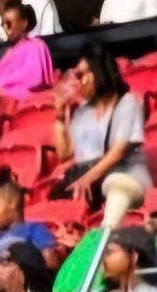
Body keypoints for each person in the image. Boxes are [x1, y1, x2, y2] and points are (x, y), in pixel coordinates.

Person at [53, 43, 149, 198]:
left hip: (118, 175)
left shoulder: (128, 103)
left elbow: (119, 152)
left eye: (80, 75)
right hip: (85, 176)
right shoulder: (83, 111)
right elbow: (65, 152)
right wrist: (58, 116)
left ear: (98, 73)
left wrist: (86, 179)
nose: (78, 82)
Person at [0, 0, 55, 96]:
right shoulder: (10, 50)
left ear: (24, 23)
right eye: (3, 24)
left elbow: (34, 78)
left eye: (9, 23)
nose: (6, 28)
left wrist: (1, 89)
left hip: (27, 100)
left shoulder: (36, 45)